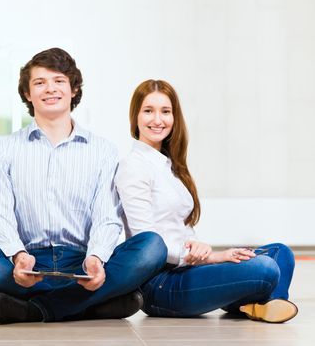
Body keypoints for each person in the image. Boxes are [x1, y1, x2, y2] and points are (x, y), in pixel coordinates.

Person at [0, 48, 167, 324]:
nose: (50, 89)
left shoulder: (103, 150)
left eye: (58, 81)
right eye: (39, 82)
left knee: (152, 246)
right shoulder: (4, 149)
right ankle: (90, 305)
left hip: (82, 264)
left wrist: (96, 258)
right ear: (27, 94)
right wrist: (18, 256)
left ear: (74, 89)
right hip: (26, 266)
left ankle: (37, 309)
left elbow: (107, 217)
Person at [114, 79, 297, 323]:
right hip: (160, 284)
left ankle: (257, 306)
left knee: (280, 253)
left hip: (190, 270)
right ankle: (263, 301)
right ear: (135, 116)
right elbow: (146, 244)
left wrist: (200, 249)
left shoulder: (170, 167)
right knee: (265, 268)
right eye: (148, 111)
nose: (157, 120)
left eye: (165, 112)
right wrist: (212, 257)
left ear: (174, 117)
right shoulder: (133, 167)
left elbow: (182, 229)